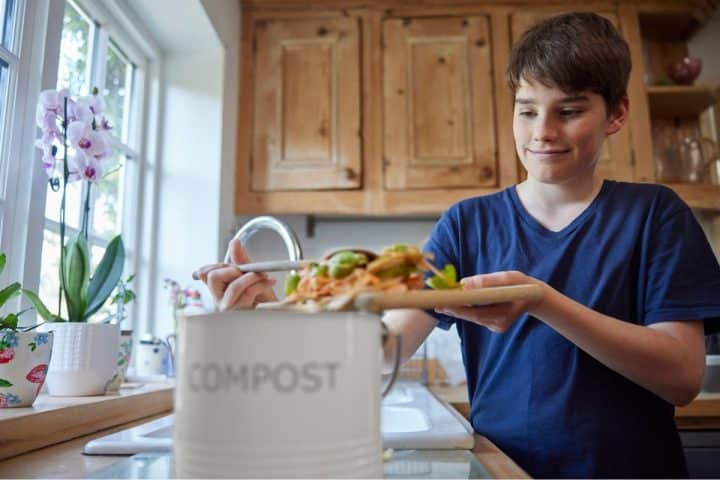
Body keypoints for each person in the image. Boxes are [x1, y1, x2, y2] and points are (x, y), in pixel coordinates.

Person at [195, 12, 720, 478]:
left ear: (616, 115)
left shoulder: (656, 214)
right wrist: (274, 312)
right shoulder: (467, 224)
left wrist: (543, 300)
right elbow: (383, 350)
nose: (543, 131)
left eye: (569, 110)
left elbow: (682, 377)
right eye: (527, 109)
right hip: (500, 469)